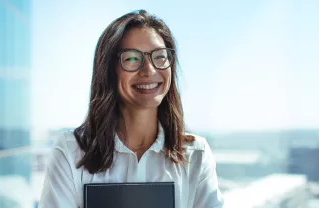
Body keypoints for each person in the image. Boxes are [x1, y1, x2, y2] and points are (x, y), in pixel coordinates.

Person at [39, 9, 224, 208]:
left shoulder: (196, 154)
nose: (150, 70)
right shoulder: (70, 151)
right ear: (109, 71)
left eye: (160, 57)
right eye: (132, 59)